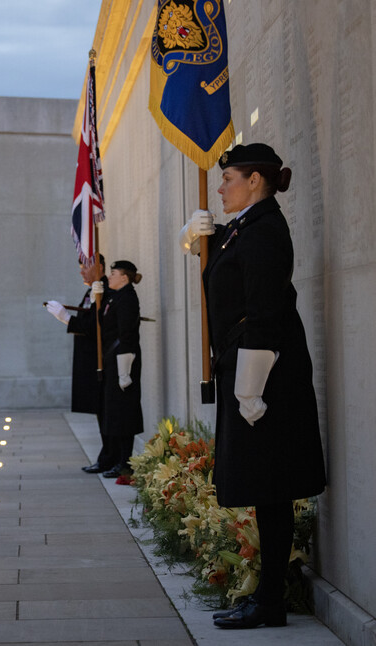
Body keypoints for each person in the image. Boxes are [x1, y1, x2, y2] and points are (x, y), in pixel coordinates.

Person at [178, 143, 326, 629]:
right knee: (266, 486)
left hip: (265, 377)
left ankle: (270, 602)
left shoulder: (265, 231)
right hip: (249, 369)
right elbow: (229, 264)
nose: (220, 187)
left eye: (229, 179)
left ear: (255, 181)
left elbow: (264, 311)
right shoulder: (246, 227)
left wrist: (250, 388)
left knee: (273, 485)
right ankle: (266, 597)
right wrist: (198, 237)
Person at [45, 255, 114, 473]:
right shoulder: (92, 290)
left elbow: (95, 326)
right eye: (81, 267)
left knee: (107, 413)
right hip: (91, 360)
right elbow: (88, 319)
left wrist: (67, 319)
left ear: (100, 267)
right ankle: (107, 458)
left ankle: (112, 459)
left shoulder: (104, 291)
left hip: (103, 360)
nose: (81, 271)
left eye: (86, 266)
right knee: (100, 412)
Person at [97, 260, 144, 478]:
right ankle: (117, 459)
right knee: (114, 412)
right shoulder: (116, 297)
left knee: (124, 413)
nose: (110, 277)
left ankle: (125, 462)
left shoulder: (127, 299)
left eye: (113, 273)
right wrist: (96, 296)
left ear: (124, 277)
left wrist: (124, 369)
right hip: (113, 360)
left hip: (123, 361)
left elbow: (126, 334)